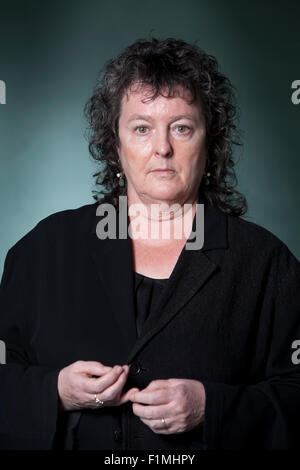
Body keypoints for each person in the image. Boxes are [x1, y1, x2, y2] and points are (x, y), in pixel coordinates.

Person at [0, 37, 299, 451]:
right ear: (116, 147)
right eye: (142, 128)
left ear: (209, 143)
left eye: (181, 127)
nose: (162, 148)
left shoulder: (266, 264)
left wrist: (214, 408)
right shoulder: (42, 250)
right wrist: (53, 391)